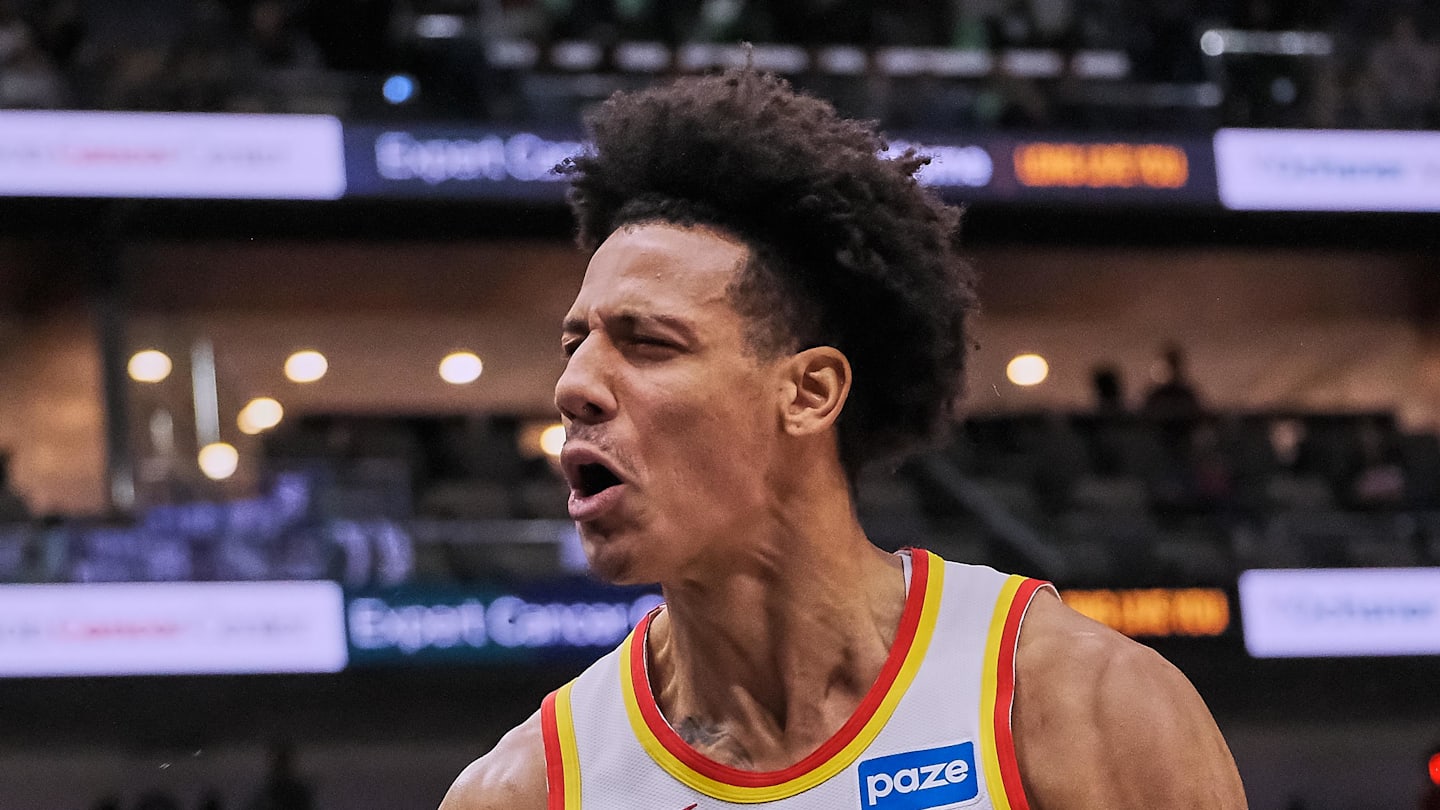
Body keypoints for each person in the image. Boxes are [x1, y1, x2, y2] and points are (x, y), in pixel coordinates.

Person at [440, 68, 1246, 809]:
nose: (574, 385)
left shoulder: (1079, 707)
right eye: (574, 344)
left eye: (648, 342)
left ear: (808, 393)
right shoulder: (525, 790)